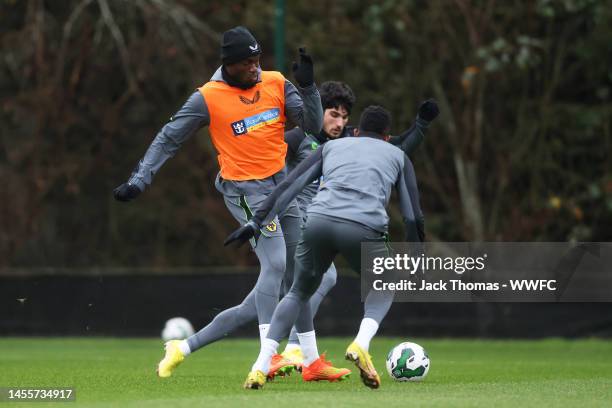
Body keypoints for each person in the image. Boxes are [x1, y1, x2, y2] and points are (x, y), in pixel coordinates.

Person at [113, 26, 330, 379]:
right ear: (229, 64)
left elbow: (311, 125)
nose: (255, 67)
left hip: (281, 186)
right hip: (244, 190)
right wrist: (140, 180)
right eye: (247, 62)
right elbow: (168, 139)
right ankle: (269, 354)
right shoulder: (207, 97)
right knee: (275, 263)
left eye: (258, 60)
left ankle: (312, 361)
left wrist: (307, 87)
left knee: (300, 269)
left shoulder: (275, 82)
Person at [225, 105, 425, 389]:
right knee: (383, 284)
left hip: (318, 222)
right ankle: (361, 343)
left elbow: (289, 186)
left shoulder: (333, 147)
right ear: (386, 137)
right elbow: (412, 215)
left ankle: (260, 366)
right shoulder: (399, 155)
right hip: (364, 226)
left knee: (297, 292)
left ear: (355, 132)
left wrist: (256, 222)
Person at [280, 81, 438, 370]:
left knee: (307, 284)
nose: (339, 123)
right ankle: (287, 349)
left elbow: (395, 146)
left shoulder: (346, 144)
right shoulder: (298, 137)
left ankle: (286, 351)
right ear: (318, 111)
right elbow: (278, 175)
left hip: (319, 224)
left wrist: (421, 126)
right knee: (295, 286)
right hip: (292, 222)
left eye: (344, 117)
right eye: (333, 114)